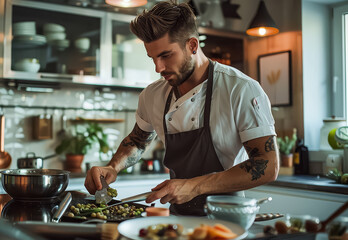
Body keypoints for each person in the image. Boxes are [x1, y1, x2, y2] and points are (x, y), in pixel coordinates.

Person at [85, 0, 279, 216]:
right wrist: (113, 167)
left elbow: (267, 165)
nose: (158, 68)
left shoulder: (240, 89)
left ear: (192, 45)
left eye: (166, 55)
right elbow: (137, 141)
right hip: (177, 219)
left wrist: (194, 186)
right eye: (153, 58)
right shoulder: (152, 95)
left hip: (227, 218)